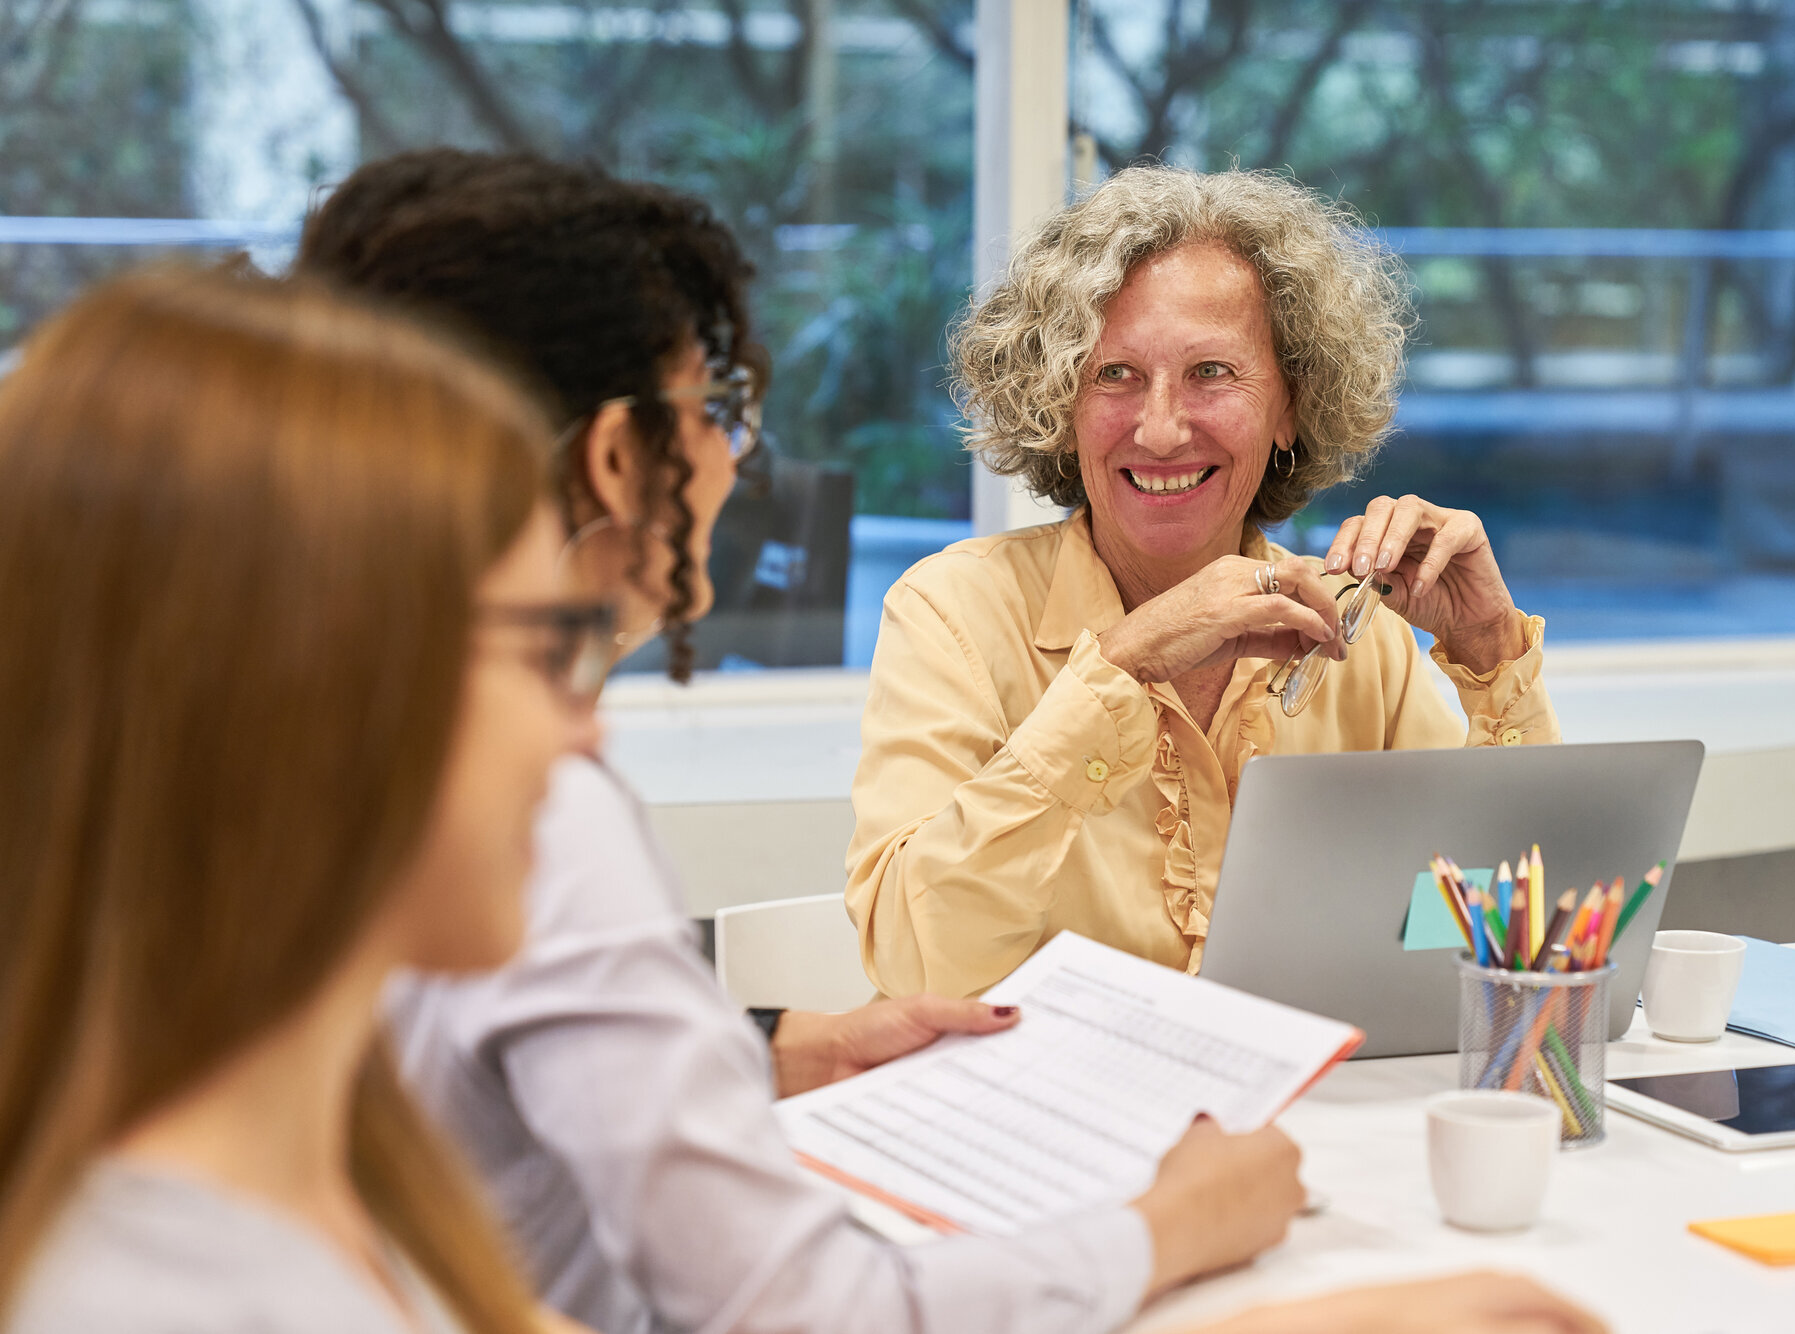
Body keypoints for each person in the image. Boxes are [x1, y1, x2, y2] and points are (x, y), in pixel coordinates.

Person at [300, 150, 1603, 1334]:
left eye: (1210, 373)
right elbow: (809, 1301)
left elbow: (1524, 932)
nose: (741, 449)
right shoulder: (537, 807)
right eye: (720, 405)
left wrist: (1491, 665)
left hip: (1324, 1167)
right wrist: (1173, 1228)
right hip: (1068, 1205)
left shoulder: (363, 747)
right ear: (611, 450)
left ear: (1289, 402)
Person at [0, 268, 602, 1331]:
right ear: (317, 686)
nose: (582, 729)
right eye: (546, 648)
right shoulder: (152, 1296)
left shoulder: (335, 1162)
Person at [847, 165, 1562, 1001]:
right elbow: (915, 962)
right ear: (1058, 402)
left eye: (1211, 373)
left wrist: (1488, 647)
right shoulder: (954, 612)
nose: (1159, 429)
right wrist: (1116, 669)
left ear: (1291, 404)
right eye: (1113, 374)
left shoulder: (1356, 635)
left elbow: (1510, 943)